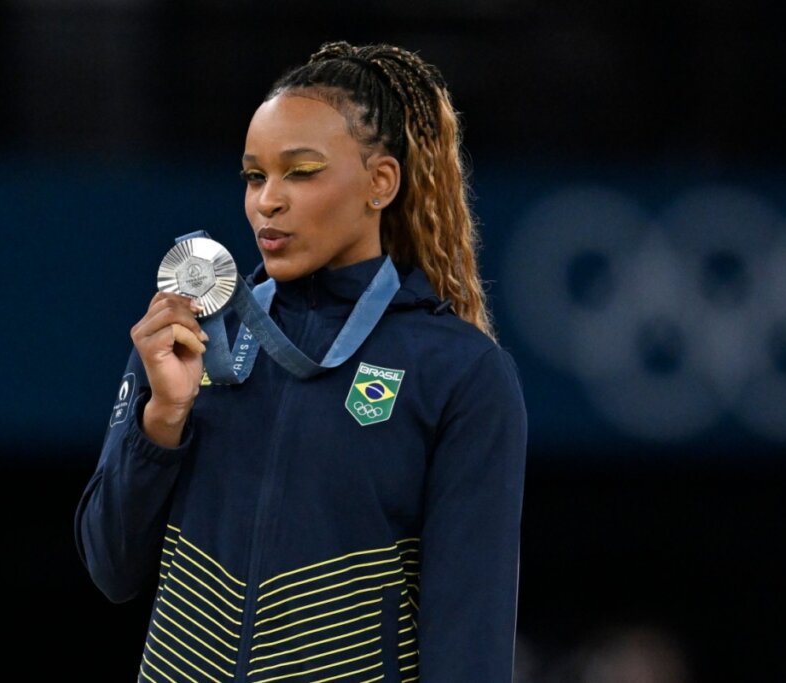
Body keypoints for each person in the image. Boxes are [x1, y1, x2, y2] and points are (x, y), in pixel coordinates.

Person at [74, 41, 527, 682]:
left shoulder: (458, 371)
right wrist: (162, 422)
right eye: (255, 176)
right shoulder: (192, 334)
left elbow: (469, 642)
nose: (267, 201)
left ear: (381, 183)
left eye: (302, 171)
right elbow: (111, 569)